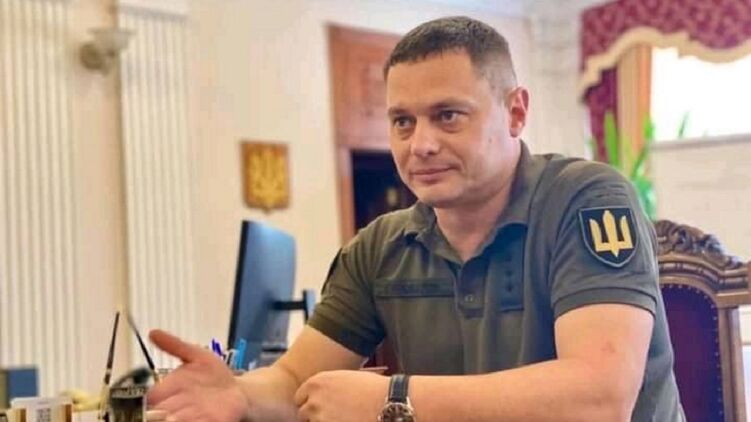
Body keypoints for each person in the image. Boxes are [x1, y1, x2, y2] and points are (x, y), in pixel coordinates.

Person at [147, 16, 684, 422]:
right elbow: (294, 381)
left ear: (516, 112)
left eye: (447, 116)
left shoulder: (587, 199)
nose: (420, 144)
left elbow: (599, 399)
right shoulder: (382, 245)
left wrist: (394, 398)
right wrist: (239, 395)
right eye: (402, 121)